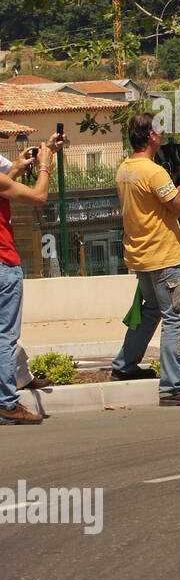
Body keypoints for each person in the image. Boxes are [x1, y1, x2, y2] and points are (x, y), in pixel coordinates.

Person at [111, 113, 180, 406]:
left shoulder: (125, 170)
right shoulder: (154, 172)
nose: (162, 135)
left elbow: (160, 203)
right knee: (175, 318)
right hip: (164, 256)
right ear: (151, 137)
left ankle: (124, 366)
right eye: (159, 132)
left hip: (140, 256)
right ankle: (172, 386)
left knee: (151, 311)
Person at [0, 138, 56, 424]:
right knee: (5, 337)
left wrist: (19, 168)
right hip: (3, 261)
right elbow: (38, 197)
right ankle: (8, 404)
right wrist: (44, 166)